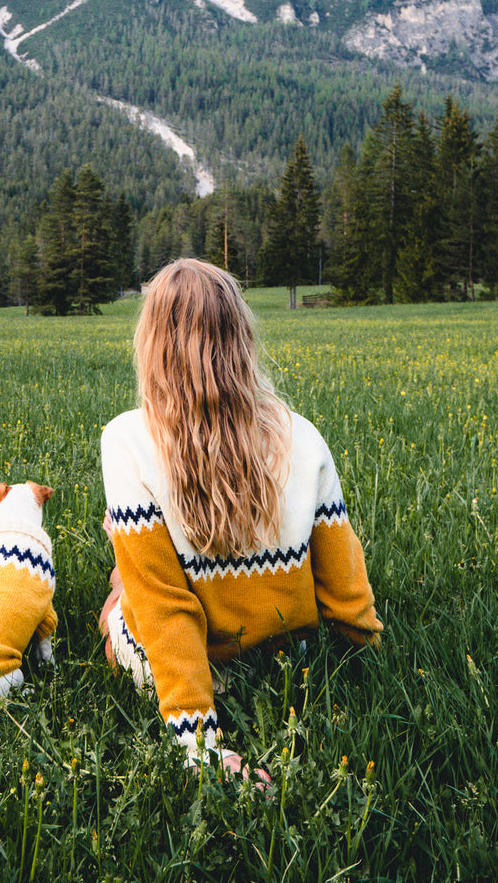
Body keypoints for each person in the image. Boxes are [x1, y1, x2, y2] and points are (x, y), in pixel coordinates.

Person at [99, 258, 382, 777]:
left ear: (152, 345)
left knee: (121, 601)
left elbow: (165, 612)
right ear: (241, 335)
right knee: (132, 566)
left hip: (196, 660)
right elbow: (345, 581)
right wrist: (368, 651)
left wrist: (200, 747)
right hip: (283, 655)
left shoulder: (126, 440)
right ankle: (126, 559)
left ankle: (123, 563)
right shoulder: (303, 435)